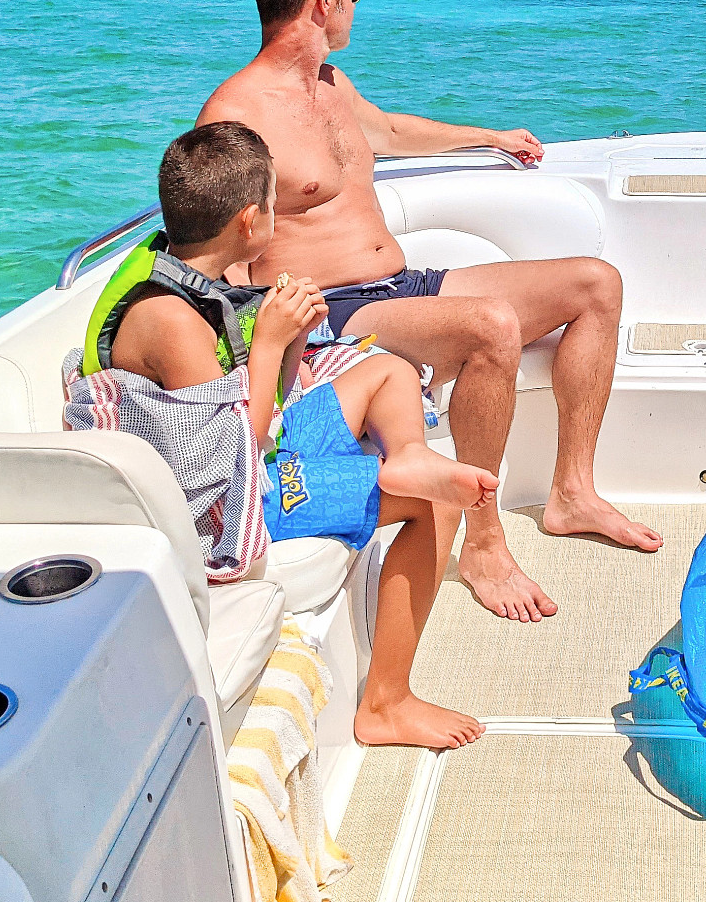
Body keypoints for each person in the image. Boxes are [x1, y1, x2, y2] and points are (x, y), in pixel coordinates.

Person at [196, 0, 661, 624]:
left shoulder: (331, 84)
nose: (355, 5)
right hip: (332, 315)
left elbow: (387, 131)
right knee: (491, 326)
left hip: (401, 286)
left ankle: (571, 493)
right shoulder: (237, 114)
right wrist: (251, 367)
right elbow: (219, 250)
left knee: (596, 283)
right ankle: (483, 541)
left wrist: (490, 136)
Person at [65, 121, 497, 749]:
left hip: (248, 447)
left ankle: (405, 455)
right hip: (229, 497)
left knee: (386, 369)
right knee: (439, 504)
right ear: (249, 222)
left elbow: (253, 402)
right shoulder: (170, 323)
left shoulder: (186, 271)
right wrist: (268, 343)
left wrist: (292, 340)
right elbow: (231, 453)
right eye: (273, 202)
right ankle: (386, 702)